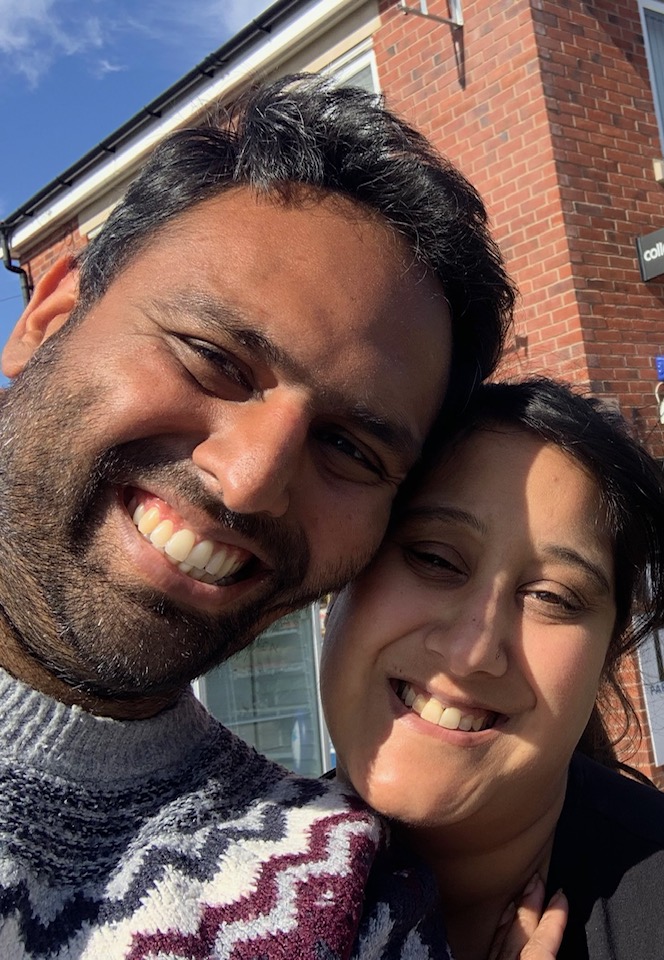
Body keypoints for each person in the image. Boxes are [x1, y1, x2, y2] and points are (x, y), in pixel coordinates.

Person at [0, 73, 538, 958]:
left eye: (351, 451)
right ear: (52, 314)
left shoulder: (335, 900)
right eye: (214, 358)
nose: (251, 482)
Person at [321, 377, 664, 959]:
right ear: (341, 578)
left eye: (554, 598)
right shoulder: (215, 882)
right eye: (434, 558)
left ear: (607, 656)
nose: (472, 650)